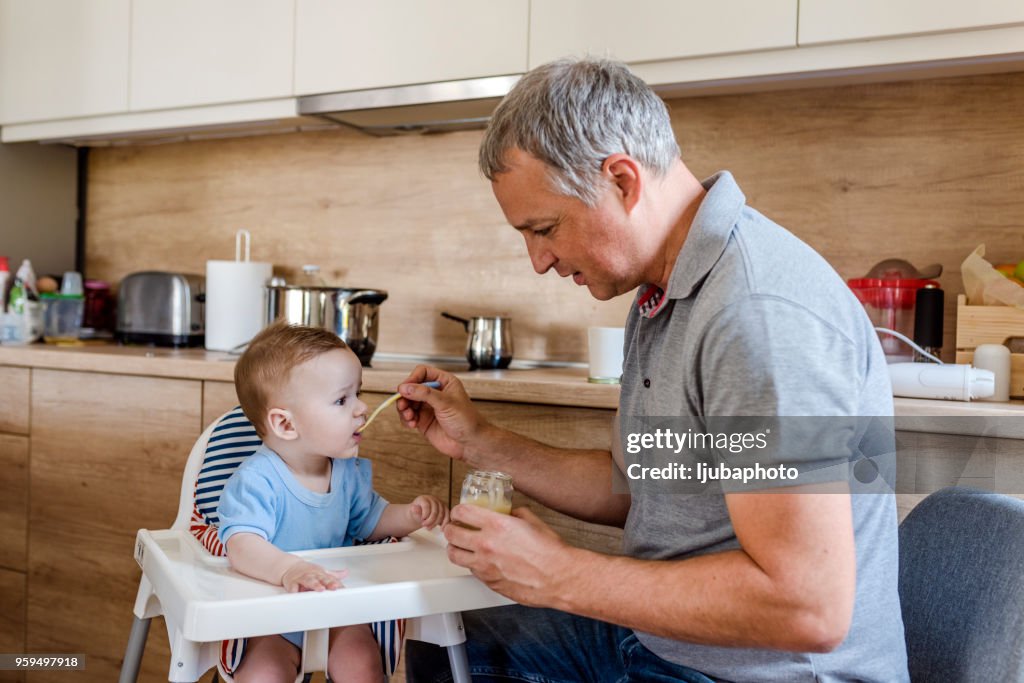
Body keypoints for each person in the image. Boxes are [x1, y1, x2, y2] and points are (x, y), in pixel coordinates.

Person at [396, 58, 909, 682]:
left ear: (621, 180)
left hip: (760, 673)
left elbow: (807, 607)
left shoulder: (756, 315)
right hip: (667, 646)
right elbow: (646, 482)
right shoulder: (664, 289)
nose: (539, 260)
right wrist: (480, 444)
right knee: (449, 644)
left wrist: (559, 576)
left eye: (545, 228)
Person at [217, 321, 449, 683]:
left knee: (363, 666)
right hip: (275, 615)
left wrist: (410, 515)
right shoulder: (256, 481)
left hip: (338, 607)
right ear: (286, 424)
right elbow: (241, 546)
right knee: (263, 673)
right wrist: (288, 570)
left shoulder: (346, 472)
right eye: (342, 400)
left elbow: (370, 522)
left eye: (358, 393)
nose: (361, 408)